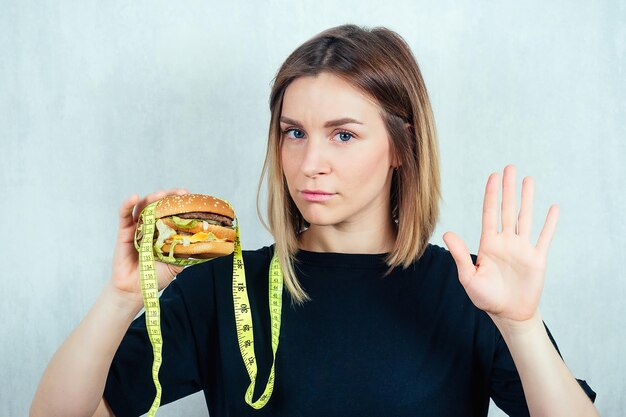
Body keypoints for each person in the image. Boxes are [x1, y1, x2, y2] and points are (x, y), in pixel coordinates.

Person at [31, 24, 598, 417]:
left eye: (344, 134)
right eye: (293, 132)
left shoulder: (469, 291)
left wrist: (521, 328)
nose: (310, 164)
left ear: (402, 147)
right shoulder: (223, 287)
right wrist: (123, 296)